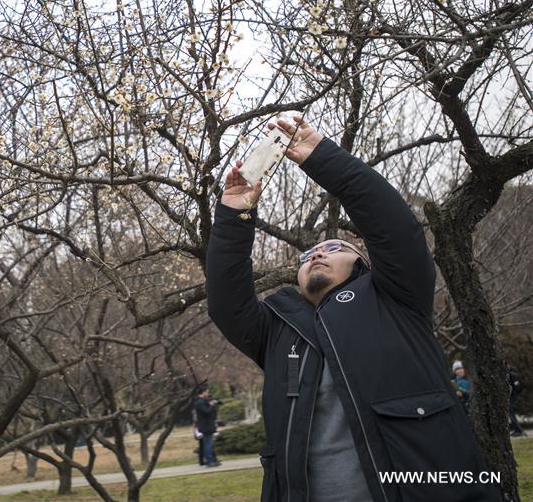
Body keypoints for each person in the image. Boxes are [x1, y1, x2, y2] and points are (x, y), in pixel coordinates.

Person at [206, 116, 498, 502]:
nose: (317, 254)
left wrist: (323, 157)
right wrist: (234, 214)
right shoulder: (277, 329)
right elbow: (226, 300)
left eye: (334, 248)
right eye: (309, 254)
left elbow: (394, 229)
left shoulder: (396, 298)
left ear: (361, 265)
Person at [194, 384, 221, 468]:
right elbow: (206, 412)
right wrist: (212, 405)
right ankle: (209, 461)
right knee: (207, 444)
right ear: (203, 392)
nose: (208, 393)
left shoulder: (203, 401)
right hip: (205, 426)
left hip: (208, 425)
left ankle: (212, 460)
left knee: (209, 444)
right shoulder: (199, 402)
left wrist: (214, 404)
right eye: (207, 392)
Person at [508, 366, 525, 437]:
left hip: (512, 396)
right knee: (510, 412)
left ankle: (519, 430)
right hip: (512, 396)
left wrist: (512, 394)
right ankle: (517, 429)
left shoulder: (512, 375)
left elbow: (516, 386)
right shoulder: (512, 374)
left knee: (510, 411)